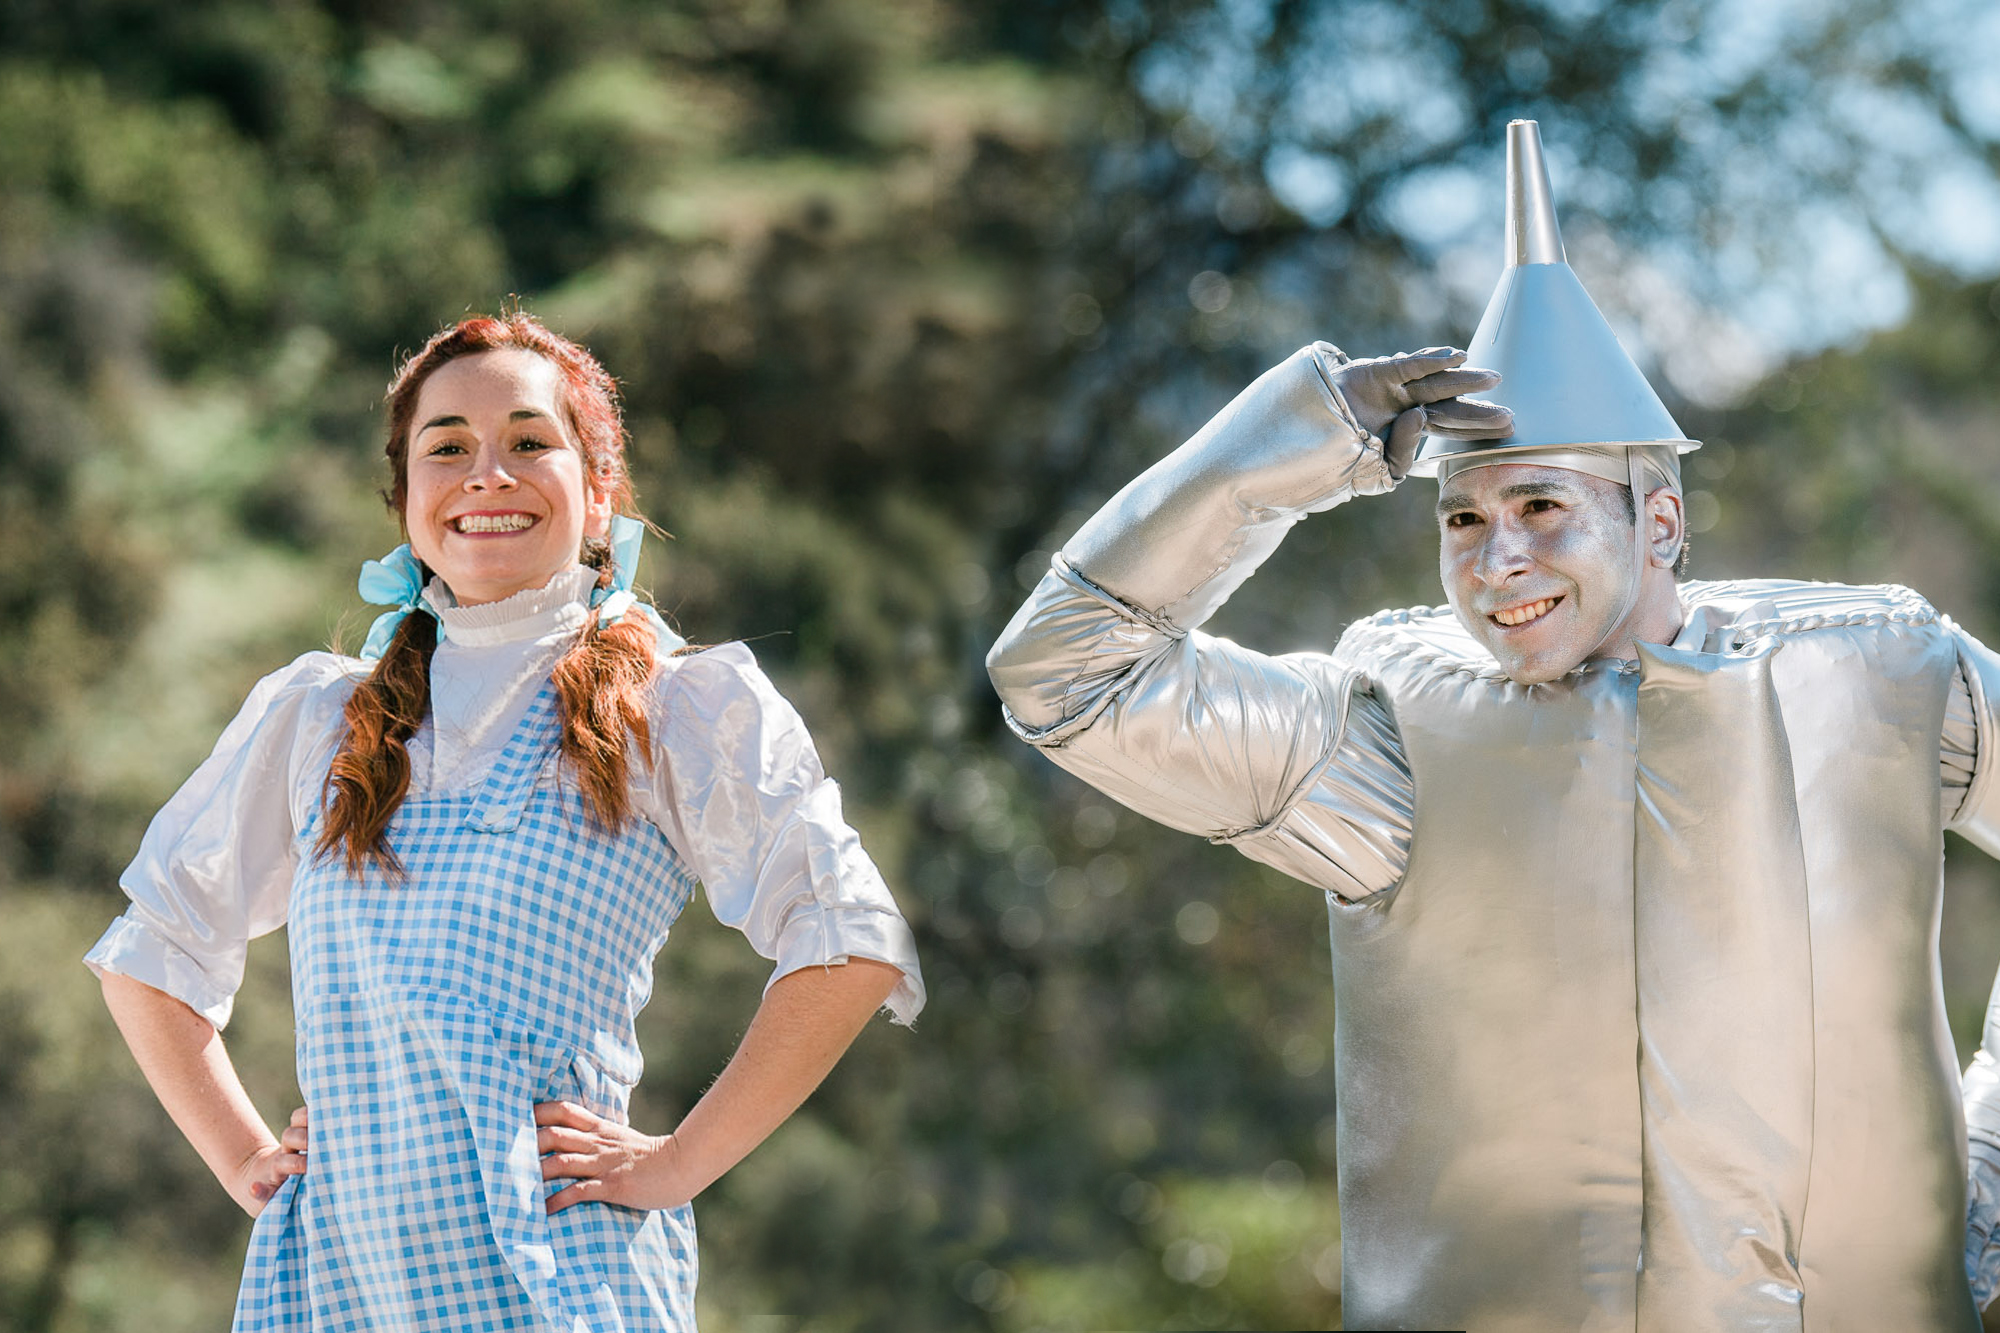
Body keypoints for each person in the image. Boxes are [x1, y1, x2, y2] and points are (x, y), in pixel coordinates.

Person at [988, 120, 2000, 1330]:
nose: (1495, 558)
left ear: (1659, 522)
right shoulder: (1394, 739)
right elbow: (1062, 675)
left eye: (1540, 505)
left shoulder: (1878, 672)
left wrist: (1978, 1171)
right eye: (1461, 519)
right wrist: (1293, 444)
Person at [87, 311, 924, 1331]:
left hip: (561, 1283)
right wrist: (246, 1160)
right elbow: (152, 954)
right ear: (405, 498)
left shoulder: (677, 707)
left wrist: (677, 1163)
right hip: (336, 1292)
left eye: (529, 441)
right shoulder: (319, 719)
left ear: (598, 489)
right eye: (447, 448)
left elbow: (848, 938)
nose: (487, 475)